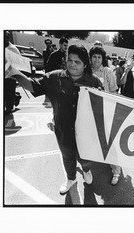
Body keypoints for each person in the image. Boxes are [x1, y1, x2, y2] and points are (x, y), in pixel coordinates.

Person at [12, 44, 104, 195]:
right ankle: (71, 179)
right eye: (70, 60)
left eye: (77, 62)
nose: (72, 64)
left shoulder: (94, 81)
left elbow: (104, 105)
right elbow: (33, 86)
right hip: (63, 129)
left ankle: (86, 170)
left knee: (86, 159)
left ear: (85, 64)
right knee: (67, 156)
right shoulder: (54, 77)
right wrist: (15, 73)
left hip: (87, 132)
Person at [89, 46, 121, 185]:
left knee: (110, 141)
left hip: (105, 110)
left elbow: (114, 91)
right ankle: (88, 166)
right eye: (94, 56)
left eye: (99, 57)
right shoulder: (86, 71)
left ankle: (116, 170)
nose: (96, 60)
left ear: (103, 59)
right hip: (89, 111)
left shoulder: (108, 72)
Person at [4, 31, 22, 115]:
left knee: (8, 98)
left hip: (10, 75)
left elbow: (18, 64)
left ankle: (9, 107)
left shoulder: (13, 49)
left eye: (5, 37)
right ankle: (15, 96)